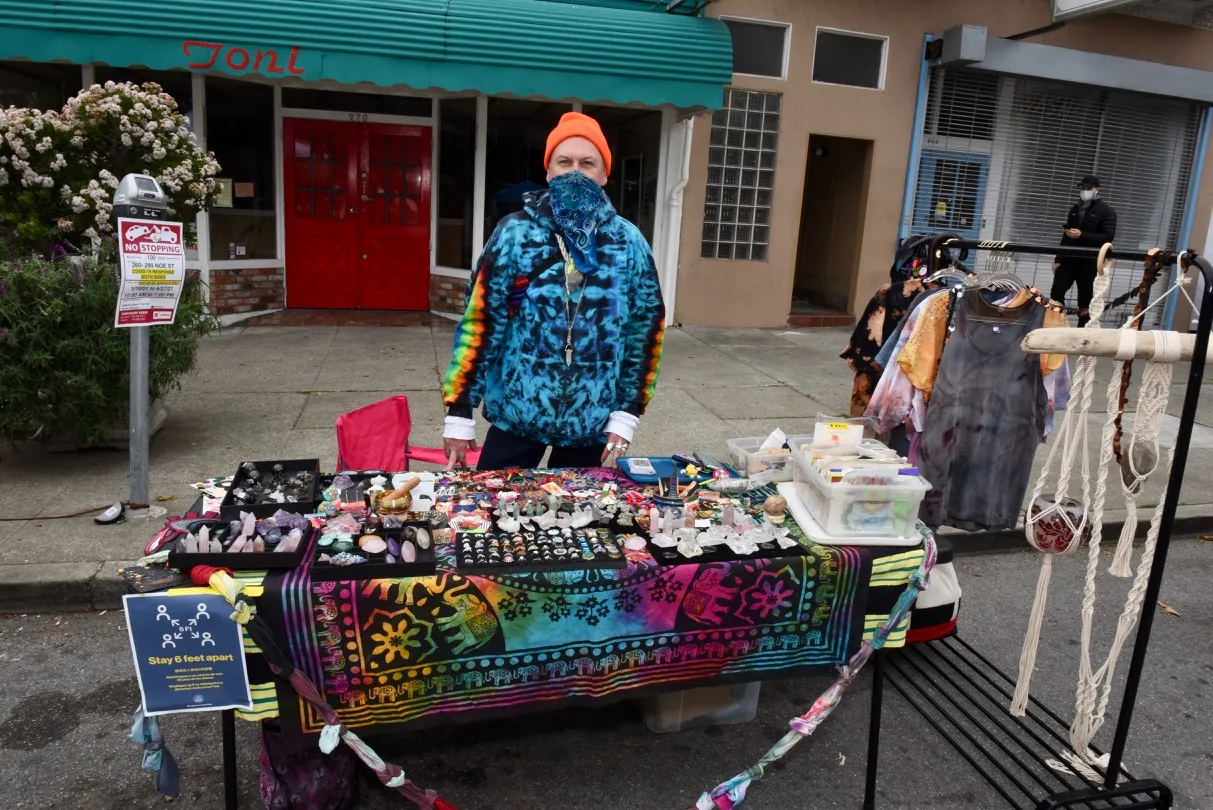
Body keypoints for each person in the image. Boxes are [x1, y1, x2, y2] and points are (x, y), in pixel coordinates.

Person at [440, 112, 666, 471]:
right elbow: (481, 320)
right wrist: (460, 409)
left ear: (604, 174)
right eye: (564, 162)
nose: (575, 172)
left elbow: (646, 330)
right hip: (517, 414)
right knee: (494, 503)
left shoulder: (628, 242)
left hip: (591, 421)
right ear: (548, 172)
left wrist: (628, 411)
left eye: (587, 163)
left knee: (581, 509)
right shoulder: (515, 233)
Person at [1052, 174, 1117, 327]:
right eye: (1082, 188)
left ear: (1097, 189)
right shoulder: (1075, 209)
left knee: (1086, 300)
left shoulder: (1107, 211)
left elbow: (1108, 236)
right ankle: (1057, 324)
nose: (1084, 191)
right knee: (1056, 292)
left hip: (1090, 262)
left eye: (1088, 188)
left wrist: (1082, 235)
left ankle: (1082, 332)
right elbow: (1066, 236)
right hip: (1068, 259)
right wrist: (1058, 259)